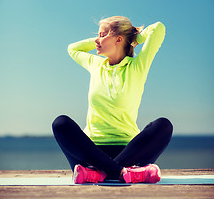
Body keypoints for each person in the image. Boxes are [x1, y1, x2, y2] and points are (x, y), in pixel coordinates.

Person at [52, 16, 173, 184]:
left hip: (130, 151)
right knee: (60, 124)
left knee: (164, 126)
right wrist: (106, 37)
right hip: (91, 152)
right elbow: (72, 49)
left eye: (102, 35)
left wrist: (133, 38)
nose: (96, 40)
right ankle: (121, 172)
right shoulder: (96, 64)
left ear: (118, 39)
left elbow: (158, 28)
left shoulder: (137, 66)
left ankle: (101, 173)